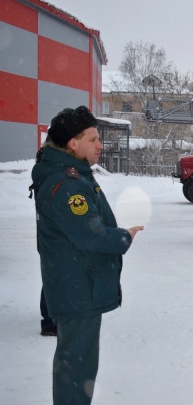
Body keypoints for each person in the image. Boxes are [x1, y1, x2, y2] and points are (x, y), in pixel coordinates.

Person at [31, 106, 144, 404]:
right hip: (78, 290)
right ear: (72, 143)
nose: (100, 145)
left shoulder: (70, 175)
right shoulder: (68, 185)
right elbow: (90, 235)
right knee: (77, 369)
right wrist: (124, 237)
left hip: (76, 285)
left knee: (76, 365)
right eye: (93, 139)